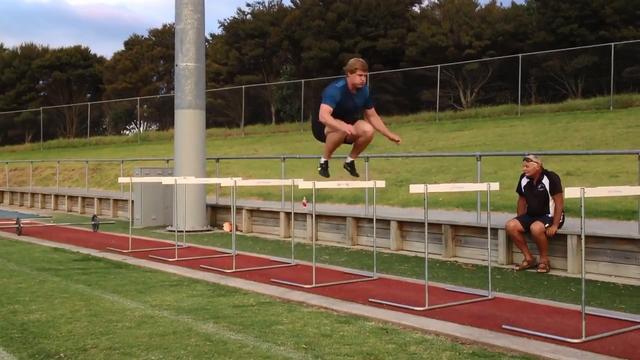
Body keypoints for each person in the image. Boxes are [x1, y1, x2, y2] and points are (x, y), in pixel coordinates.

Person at [312, 58, 401, 178]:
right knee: (341, 128)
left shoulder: (364, 91)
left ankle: (349, 161)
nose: (363, 79)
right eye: (360, 75)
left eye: (365, 76)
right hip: (322, 127)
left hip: (348, 125)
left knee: (368, 130)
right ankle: (324, 162)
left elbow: (372, 116)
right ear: (349, 73)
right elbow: (323, 116)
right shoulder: (335, 90)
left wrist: (389, 135)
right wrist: (341, 126)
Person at [505, 154, 565, 273]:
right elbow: (521, 201)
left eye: (527, 166)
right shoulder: (523, 178)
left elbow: (559, 203)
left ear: (537, 166)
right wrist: (520, 219)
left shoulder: (551, 178)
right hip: (531, 215)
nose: (524, 169)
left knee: (536, 228)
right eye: (523, 166)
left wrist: (555, 225)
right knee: (511, 226)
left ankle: (544, 261)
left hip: (550, 216)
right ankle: (529, 258)